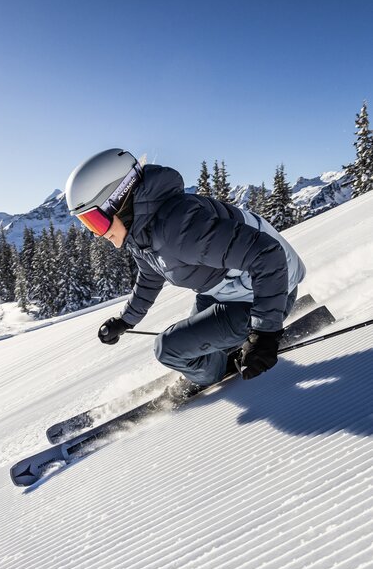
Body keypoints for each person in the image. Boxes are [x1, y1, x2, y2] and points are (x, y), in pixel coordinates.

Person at [65, 148, 306, 396]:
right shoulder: (141, 232)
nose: (98, 234)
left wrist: (265, 333)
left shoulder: (180, 229)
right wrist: (126, 320)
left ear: (120, 200)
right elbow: (150, 277)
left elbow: (266, 254)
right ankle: (219, 354)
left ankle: (213, 374)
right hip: (228, 291)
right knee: (193, 342)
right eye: (88, 225)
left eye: (96, 221)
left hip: (270, 289)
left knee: (168, 348)